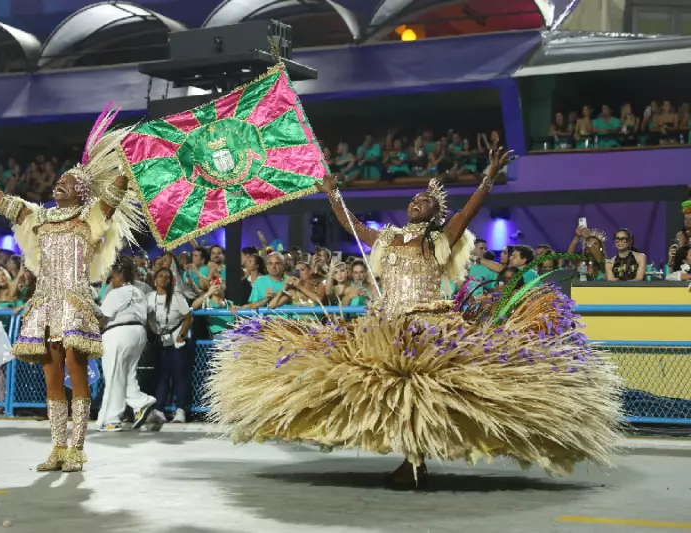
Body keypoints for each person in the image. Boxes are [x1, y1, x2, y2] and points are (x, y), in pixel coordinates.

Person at [208, 147, 621, 489]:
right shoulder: (387, 238)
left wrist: (488, 179)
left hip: (428, 322)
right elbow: (351, 226)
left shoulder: (439, 240)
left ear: (435, 214)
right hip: (386, 322)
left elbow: (469, 213)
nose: (415, 202)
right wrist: (333, 195)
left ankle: (415, 461)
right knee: (375, 387)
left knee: (422, 390)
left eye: (423, 201)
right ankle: (398, 454)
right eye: (414, 199)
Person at [0, 103, 143, 473]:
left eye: (68, 181)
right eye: (58, 180)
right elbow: (1, 201)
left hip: (74, 303)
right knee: (52, 378)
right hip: (44, 305)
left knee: (76, 373)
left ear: (82, 190)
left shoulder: (92, 216)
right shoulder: (37, 217)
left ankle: (77, 448)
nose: (59, 182)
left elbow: (120, 187)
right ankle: (58, 447)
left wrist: (132, 158)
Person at [96, 257, 155, 432]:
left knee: (114, 376)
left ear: (120, 275)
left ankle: (111, 419)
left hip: (119, 333)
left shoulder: (116, 293)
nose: (112, 280)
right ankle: (140, 402)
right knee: (127, 375)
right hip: (138, 334)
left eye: (113, 276)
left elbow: (103, 318)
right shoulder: (139, 293)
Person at [147, 267, 193, 424]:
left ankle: (180, 410)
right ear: (155, 280)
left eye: (167, 277)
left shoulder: (176, 297)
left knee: (179, 376)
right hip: (159, 342)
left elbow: (188, 317)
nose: (164, 279)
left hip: (176, 341)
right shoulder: (149, 297)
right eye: (160, 276)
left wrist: (181, 335)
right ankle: (158, 409)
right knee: (162, 376)